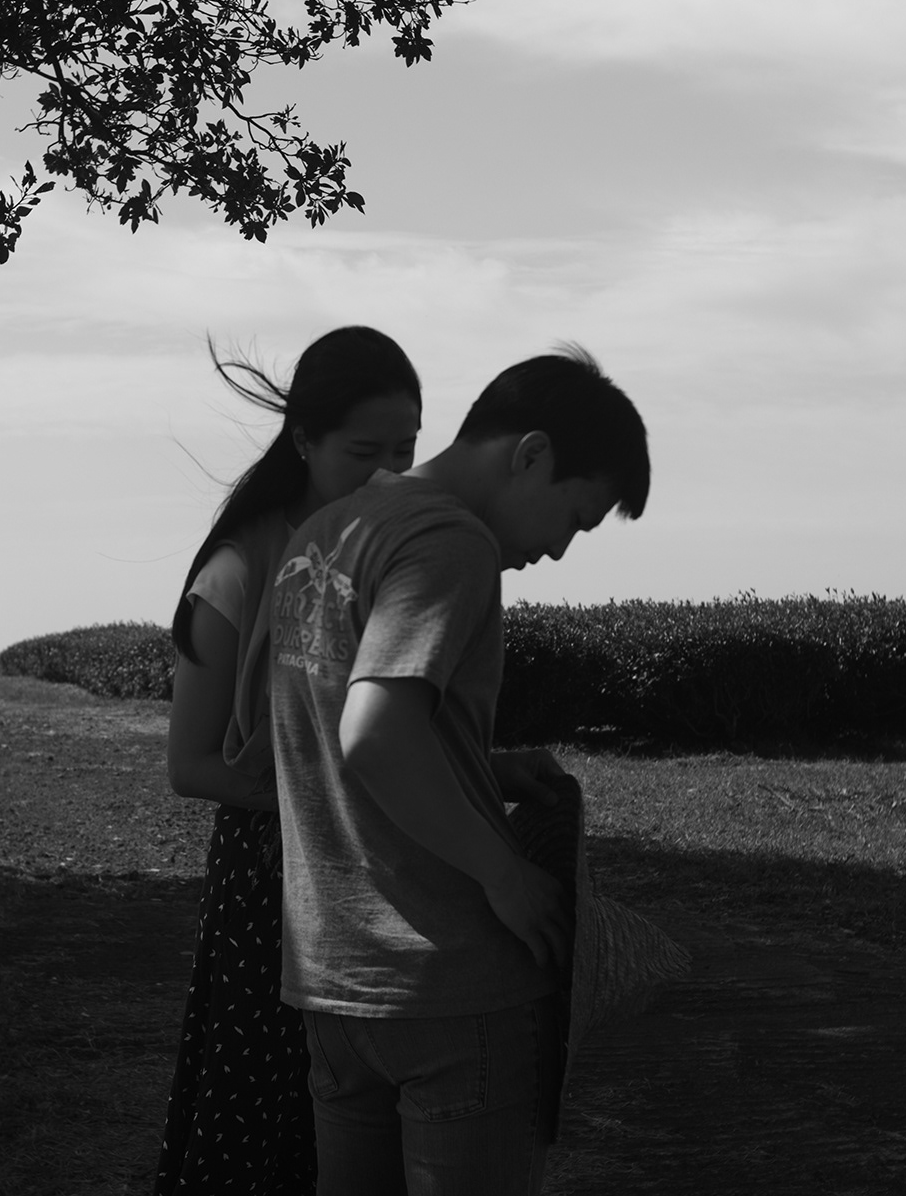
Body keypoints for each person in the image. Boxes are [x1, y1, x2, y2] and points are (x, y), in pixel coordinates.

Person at [267, 345, 650, 1196]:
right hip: (449, 980)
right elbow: (373, 735)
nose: (558, 549)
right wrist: (502, 873)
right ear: (531, 454)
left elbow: (312, 736)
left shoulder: (324, 533)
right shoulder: (452, 543)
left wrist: (480, 764)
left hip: (335, 977)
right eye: (574, 517)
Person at [154, 326, 425, 1196]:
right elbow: (190, 763)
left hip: (377, 861)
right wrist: (317, 796)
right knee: (263, 1111)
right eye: (362, 453)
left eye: (404, 451)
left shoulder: (399, 549)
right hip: (273, 878)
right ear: (303, 440)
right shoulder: (240, 567)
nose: (387, 475)